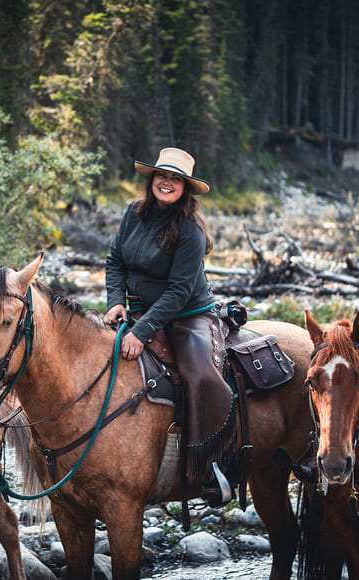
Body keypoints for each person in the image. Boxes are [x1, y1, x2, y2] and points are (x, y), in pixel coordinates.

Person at [104, 147, 234, 506]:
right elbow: (115, 260)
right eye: (163, 176)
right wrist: (116, 301)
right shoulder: (133, 213)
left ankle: (208, 464)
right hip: (137, 308)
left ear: (185, 188)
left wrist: (141, 332)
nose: (167, 182)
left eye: (176, 179)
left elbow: (178, 292)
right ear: (152, 180)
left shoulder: (190, 231)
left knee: (199, 374)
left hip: (187, 314)